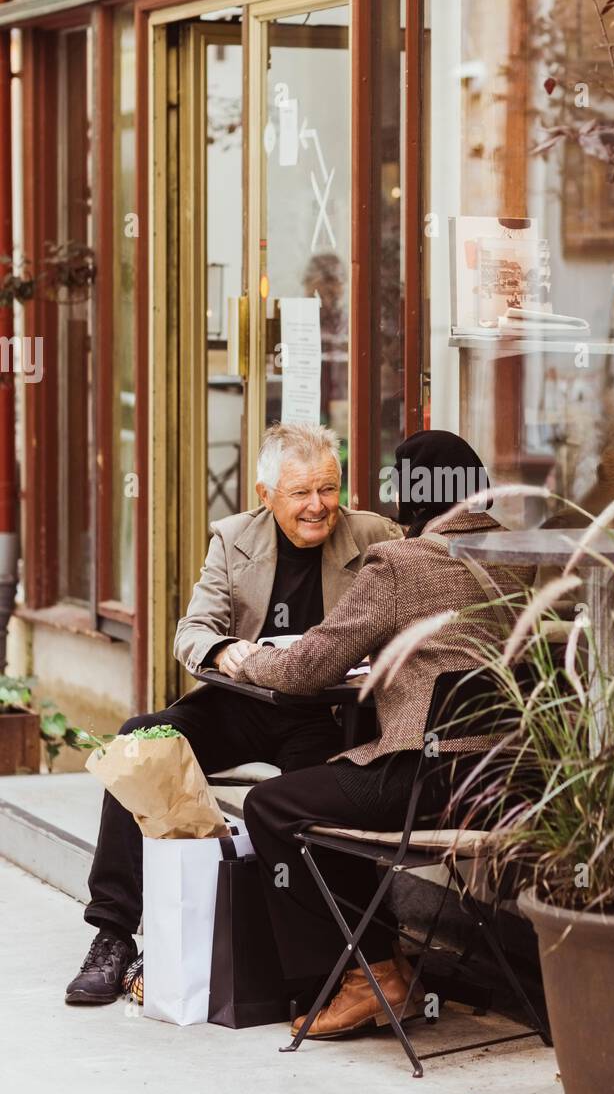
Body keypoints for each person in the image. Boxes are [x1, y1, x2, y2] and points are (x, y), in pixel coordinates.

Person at [65, 422, 401, 1005]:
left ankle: (314, 963)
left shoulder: (374, 536)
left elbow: (407, 619)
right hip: (243, 703)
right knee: (139, 741)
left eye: (329, 488)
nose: (319, 506)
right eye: (301, 493)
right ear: (265, 494)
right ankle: (113, 934)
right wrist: (224, 649)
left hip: (324, 716)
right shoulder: (234, 538)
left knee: (303, 800)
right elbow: (192, 631)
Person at [228, 429, 532, 1038]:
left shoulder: (400, 564)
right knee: (330, 776)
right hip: (512, 782)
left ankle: (368, 976)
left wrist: (243, 657)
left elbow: (307, 668)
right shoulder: (524, 556)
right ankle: (392, 966)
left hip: (428, 782)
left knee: (271, 805)